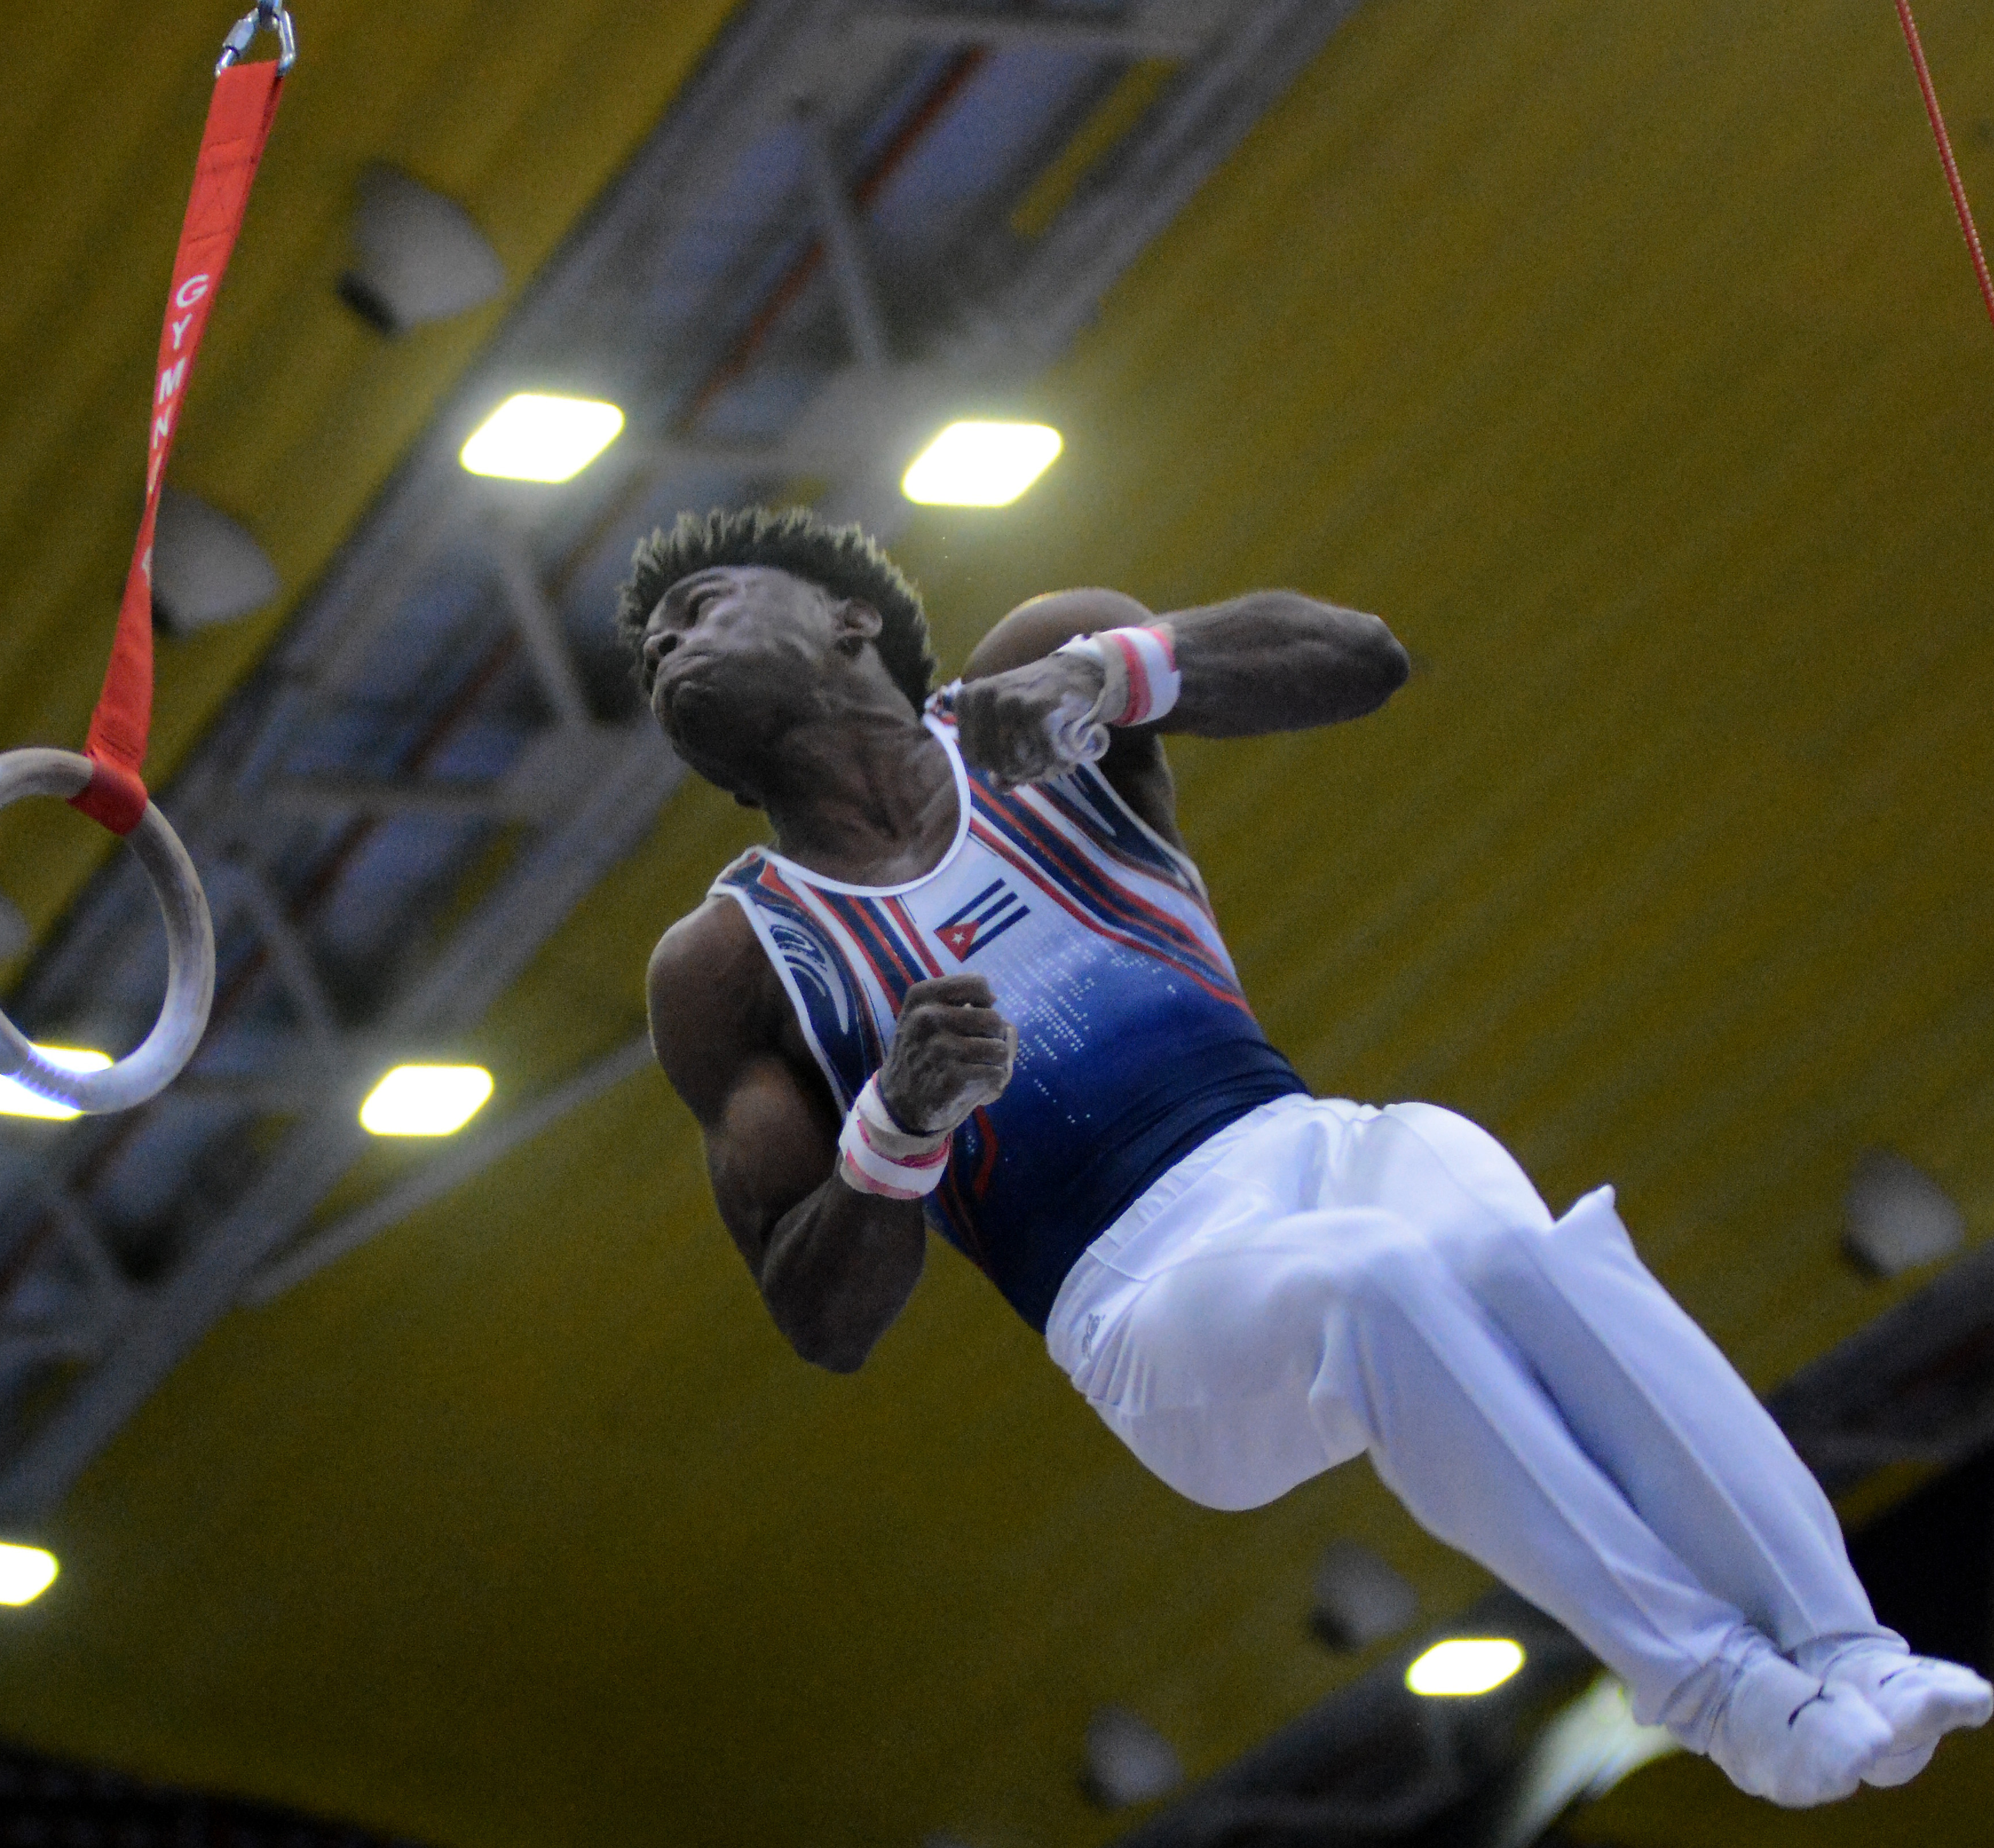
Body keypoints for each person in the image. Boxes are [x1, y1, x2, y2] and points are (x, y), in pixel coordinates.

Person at [625, 504, 1988, 1808]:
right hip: (1143, 1301)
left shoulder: (1040, 674)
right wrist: (898, 1127)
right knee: (1371, 1279)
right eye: (648, 655)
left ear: (851, 616)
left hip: (1304, 1145)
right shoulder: (733, 964)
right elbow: (822, 1320)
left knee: (1505, 1234)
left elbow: (1363, 659)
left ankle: (1845, 1648)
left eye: (700, 605)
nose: (667, 647)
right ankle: (1718, 1691)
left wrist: (1115, 675)